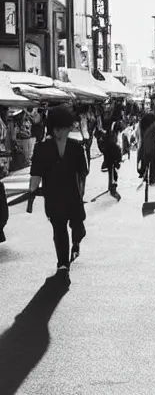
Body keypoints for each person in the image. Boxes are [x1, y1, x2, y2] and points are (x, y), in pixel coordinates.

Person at [28, 106, 88, 279]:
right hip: (54, 195)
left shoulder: (76, 147)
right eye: (61, 128)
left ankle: (76, 242)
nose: (65, 131)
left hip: (72, 195)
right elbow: (36, 173)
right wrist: (32, 190)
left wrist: (81, 193)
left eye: (67, 127)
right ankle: (62, 263)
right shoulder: (42, 148)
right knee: (59, 228)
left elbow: (83, 173)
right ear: (54, 129)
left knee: (77, 228)